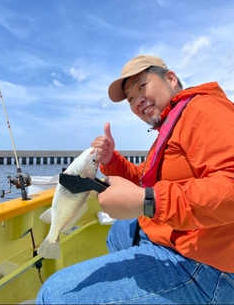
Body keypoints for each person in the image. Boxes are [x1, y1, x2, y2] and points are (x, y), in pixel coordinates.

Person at [36, 55, 234, 304]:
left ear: (170, 78)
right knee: (119, 231)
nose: (137, 100)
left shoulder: (203, 109)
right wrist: (111, 161)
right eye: (130, 98)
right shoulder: (170, 124)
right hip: (175, 235)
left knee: (54, 295)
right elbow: (146, 177)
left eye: (142, 86)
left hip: (207, 267)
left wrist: (147, 201)